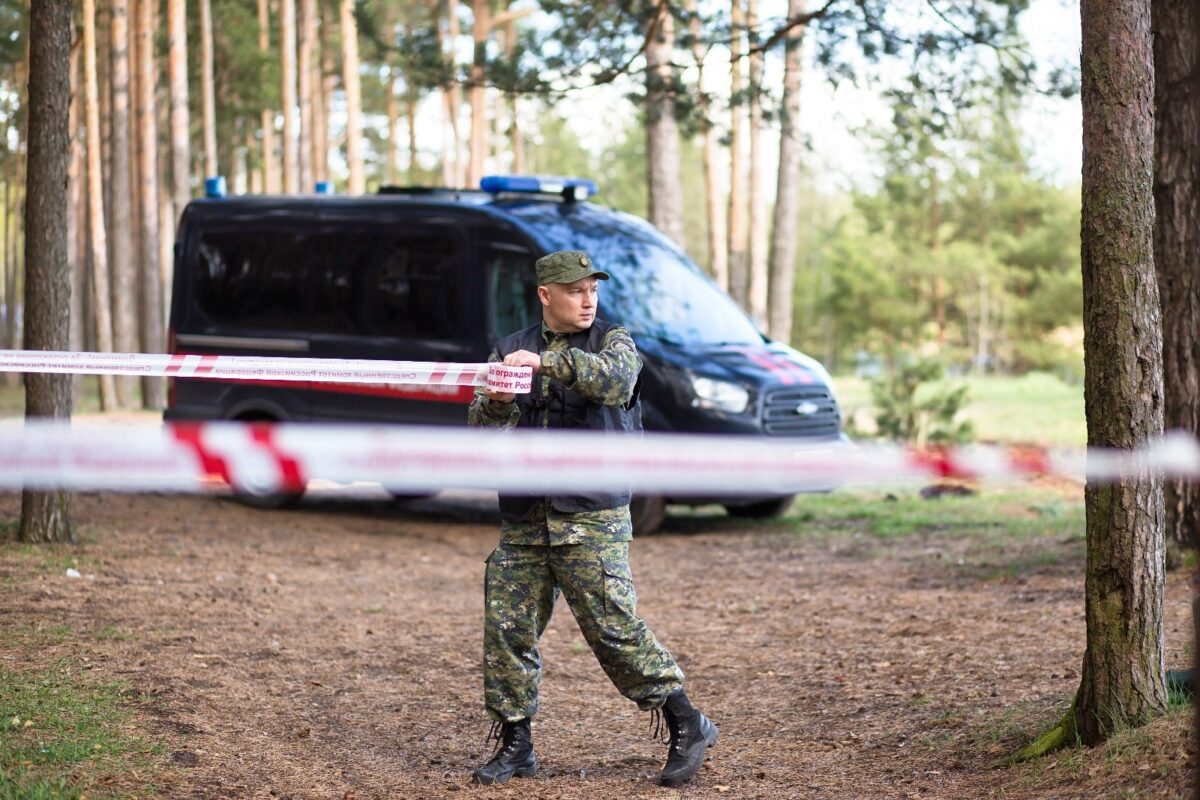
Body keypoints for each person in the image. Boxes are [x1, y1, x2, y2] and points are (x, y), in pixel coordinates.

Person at [466, 250, 718, 788]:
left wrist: (547, 364)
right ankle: (516, 745)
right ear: (545, 295)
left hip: (591, 517)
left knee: (613, 629)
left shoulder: (613, 341)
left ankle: (686, 721)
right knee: (506, 631)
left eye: (592, 290)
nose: (588, 300)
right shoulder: (508, 349)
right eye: (576, 290)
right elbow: (486, 432)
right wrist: (493, 401)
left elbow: (615, 382)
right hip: (525, 516)